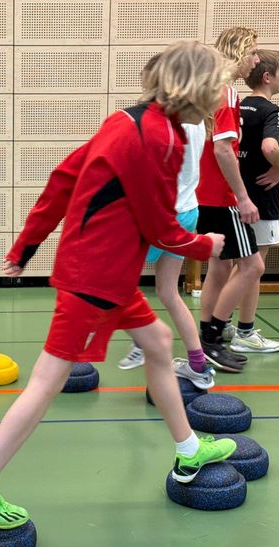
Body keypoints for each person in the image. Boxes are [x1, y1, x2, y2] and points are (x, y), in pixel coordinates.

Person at [0, 41, 237, 529]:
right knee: (46, 382)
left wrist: (26, 245)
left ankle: (188, 451)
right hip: (96, 280)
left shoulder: (125, 120)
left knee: (158, 341)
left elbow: (63, 177)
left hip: (105, 272)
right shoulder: (162, 140)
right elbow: (161, 228)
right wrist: (205, 244)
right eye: (217, 90)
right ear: (197, 89)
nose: (218, 100)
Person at [118, 55, 215, 391]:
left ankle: (142, 339)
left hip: (161, 215)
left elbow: (149, 172)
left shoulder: (165, 124)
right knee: (168, 292)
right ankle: (199, 364)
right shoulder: (198, 118)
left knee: (117, 281)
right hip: (188, 212)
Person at [195, 27, 275, 372]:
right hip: (220, 196)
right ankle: (213, 337)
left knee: (220, 267)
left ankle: (205, 339)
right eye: (253, 52)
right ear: (239, 52)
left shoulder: (207, 89)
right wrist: (242, 197)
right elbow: (223, 149)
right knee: (253, 267)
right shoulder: (225, 93)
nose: (255, 60)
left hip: (202, 194)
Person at [228, 49, 279, 354]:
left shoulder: (236, 105)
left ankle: (221, 323)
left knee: (235, 265)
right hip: (260, 200)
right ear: (267, 77)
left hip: (233, 196)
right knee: (253, 268)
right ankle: (245, 331)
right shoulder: (271, 110)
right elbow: (269, 147)